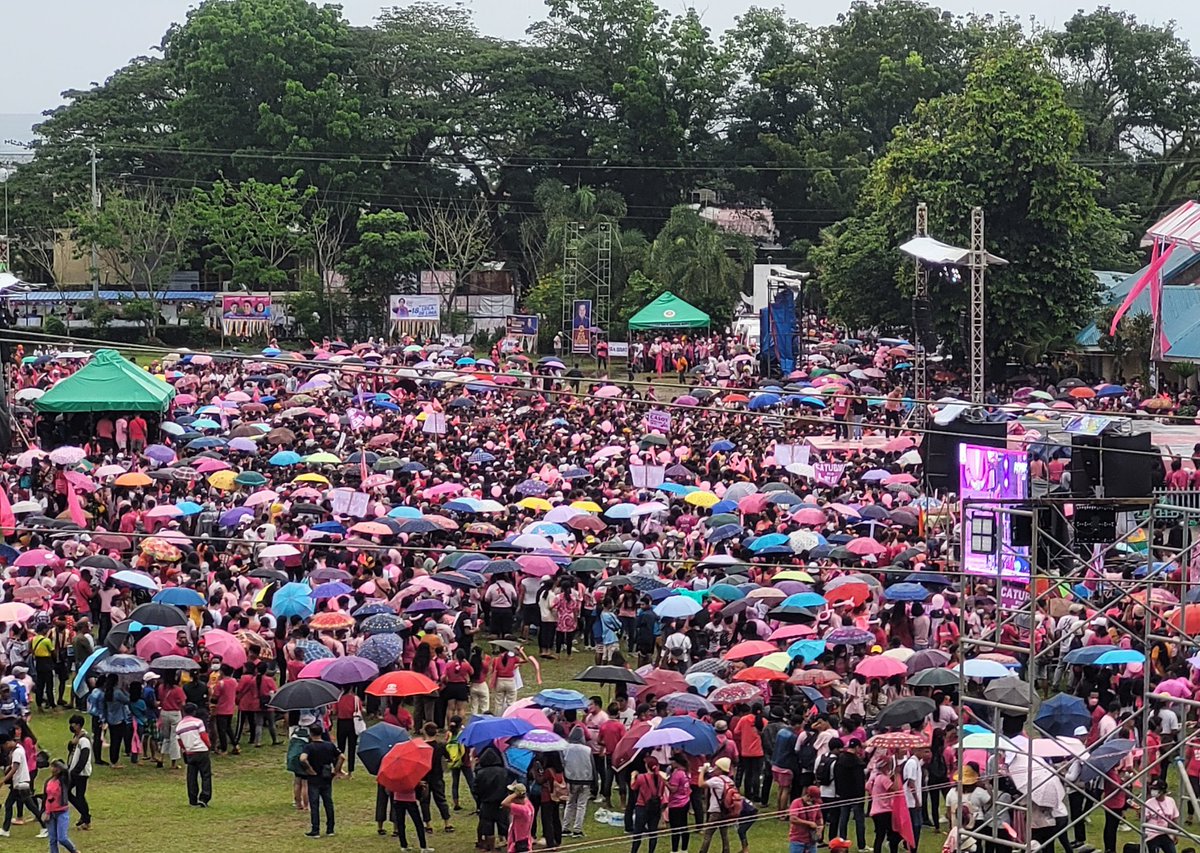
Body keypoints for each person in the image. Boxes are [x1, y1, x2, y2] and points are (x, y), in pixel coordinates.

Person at [299, 724, 344, 838]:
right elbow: (342, 757)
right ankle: (330, 829)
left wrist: (309, 769)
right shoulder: (329, 745)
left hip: (314, 778)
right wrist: (336, 770)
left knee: (314, 804)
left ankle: (315, 830)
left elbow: (303, 758)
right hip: (327, 776)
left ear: (311, 733)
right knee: (328, 802)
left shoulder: (309, 747)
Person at [0, 732, 46, 838]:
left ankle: (45, 827)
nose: (4, 748)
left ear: (7, 743)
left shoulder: (17, 752)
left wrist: (3, 780)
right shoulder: (18, 747)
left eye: (3, 746)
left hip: (21, 784)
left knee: (32, 807)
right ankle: (5, 829)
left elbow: (15, 768)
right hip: (18, 784)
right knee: (8, 805)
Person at [697, 757, 738, 853]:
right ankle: (726, 850)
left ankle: (703, 851)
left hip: (715, 811)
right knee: (724, 834)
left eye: (716, 767)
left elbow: (700, 784)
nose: (714, 768)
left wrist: (702, 771)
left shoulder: (716, 780)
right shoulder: (730, 781)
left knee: (708, 835)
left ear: (720, 769)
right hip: (726, 810)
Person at [176, 703, 212, 808]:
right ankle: (204, 798)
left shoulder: (179, 726)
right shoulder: (198, 722)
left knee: (191, 776)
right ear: (194, 712)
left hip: (190, 752)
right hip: (201, 750)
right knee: (205, 775)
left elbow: (180, 742)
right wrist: (208, 745)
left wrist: (186, 749)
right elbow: (203, 736)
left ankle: (192, 799)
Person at [630, 755, 667, 853]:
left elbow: (633, 787)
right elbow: (662, 792)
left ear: (647, 766)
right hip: (656, 807)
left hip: (642, 806)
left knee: (638, 832)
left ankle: (634, 851)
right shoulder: (661, 778)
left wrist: (633, 776)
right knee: (653, 832)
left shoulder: (642, 777)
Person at [42, 760, 78, 853]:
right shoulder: (48, 781)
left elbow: (66, 772)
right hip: (50, 813)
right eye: (52, 767)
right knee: (52, 840)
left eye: (55, 767)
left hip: (61, 812)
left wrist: (59, 766)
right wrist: (46, 812)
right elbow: (46, 797)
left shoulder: (63, 781)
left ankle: (74, 851)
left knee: (62, 838)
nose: (53, 769)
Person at [65, 715, 93, 832]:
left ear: (78, 725)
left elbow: (84, 757)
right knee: (78, 795)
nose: (71, 726)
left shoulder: (84, 739)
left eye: (73, 724)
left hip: (80, 773)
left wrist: (75, 771)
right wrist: (72, 742)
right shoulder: (77, 737)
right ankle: (85, 817)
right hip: (75, 771)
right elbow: (71, 750)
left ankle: (86, 817)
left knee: (72, 793)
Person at [1144, 780, 1179, 853]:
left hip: (1165, 833)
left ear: (1162, 791)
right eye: (1152, 789)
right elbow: (1143, 819)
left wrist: (1176, 834)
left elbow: (1174, 819)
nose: (1153, 791)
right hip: (1152, 834)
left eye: (1155, 789)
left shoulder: (1170, 801)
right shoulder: (1148, 803)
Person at [789, 785, 824, 853]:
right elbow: (793, 819)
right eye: (814, 799)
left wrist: (820, 829)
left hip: (812, 840)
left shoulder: (816, 805)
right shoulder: (796, 803)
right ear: (808, 796)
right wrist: (809, 823)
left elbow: (819, 818)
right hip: (798, 840)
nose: (815, 802)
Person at [503, 782, 536, 853]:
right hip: (525, 841)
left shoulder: (521, 809)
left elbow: (504, 803)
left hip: (519, 843)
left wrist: (515, 794)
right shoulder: (528, 804)